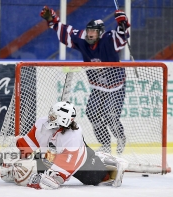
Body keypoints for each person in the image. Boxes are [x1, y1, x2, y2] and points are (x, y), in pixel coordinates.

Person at [40, 6, 129, 154]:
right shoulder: (82, 39)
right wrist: (52, 20)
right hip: (98, 87)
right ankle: (105, 144)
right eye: (89, 30)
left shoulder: (108, 40)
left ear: (100, 32)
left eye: (93, 31)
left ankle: (120, 138)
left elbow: (121, 39)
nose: (90, 33)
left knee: (110, 116)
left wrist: (122, 24)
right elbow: (67, 33)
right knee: (93, 114)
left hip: (116, 86)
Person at [0, 101, 128, 189]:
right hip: (51, 156)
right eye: (51, 114)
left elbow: (61, 174)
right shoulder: (43, 124)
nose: (50, 117)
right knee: (35, 165)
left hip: (80, 163)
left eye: (54, 116)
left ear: (63, 119)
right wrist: (15, 155)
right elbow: (28, 143)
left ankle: (104, 162)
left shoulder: (72, 137)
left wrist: (54, 177)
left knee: (95, 178)